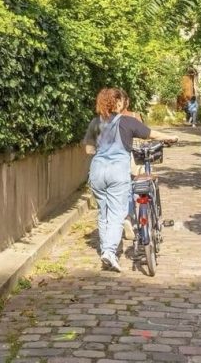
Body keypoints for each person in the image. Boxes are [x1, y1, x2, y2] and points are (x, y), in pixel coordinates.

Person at [82, 88, 152, 272]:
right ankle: (110, 252)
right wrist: (171, 137)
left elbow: (89, 150)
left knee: (103, 213)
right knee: (116, 214)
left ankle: (106, 249)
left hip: (97, 171)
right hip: (117, 172)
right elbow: (150, 134)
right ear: (117, 103)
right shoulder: (127, 121)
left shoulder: (95, 123)